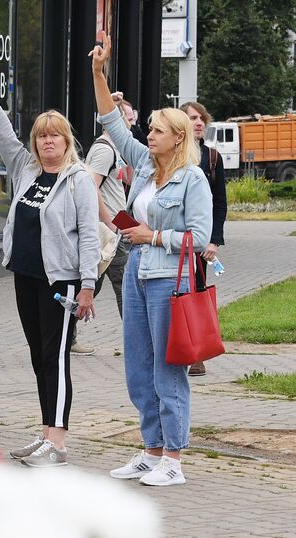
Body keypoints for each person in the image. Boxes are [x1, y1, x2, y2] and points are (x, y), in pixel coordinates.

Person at [0, 46, 99, 468]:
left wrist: (87, 286)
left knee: (55, 357)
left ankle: (58, 443)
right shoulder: (25, 169)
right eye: (41, 136)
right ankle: (46, 434)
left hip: (61, 281)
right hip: (26, 276)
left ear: (67, 141)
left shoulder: (77, 179)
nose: (47, 141)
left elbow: (89, 234)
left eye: (54, 136)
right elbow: (2, 129)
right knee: (38, 356)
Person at [91, 32, 212, 486]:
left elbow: (199, 238)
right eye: (150, 129)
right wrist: (98, 72)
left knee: (167, 369)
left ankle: (174, 460)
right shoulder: (144, 164)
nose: (149, 134)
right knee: (138, 367)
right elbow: (111, 120)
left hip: (169, 280)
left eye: (158, 130)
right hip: (136, 274)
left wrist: (154, 235)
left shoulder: (192, 178)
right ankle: (151, 451)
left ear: (178, 137)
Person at [180, 100, 228, 377]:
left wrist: (213, 241)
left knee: (196, 295)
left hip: (198, 242)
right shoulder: (171, 154)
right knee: (173, 298)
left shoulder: (212, 158)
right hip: (170, 239)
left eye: (201, 119)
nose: (199, 123)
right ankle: (174, 349)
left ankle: (198, 355)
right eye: (192, 118)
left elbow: (219, 204)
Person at [87, 95, 137, 323]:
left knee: (95, 283)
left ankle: (67, 332)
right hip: (110, 229)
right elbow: (91, 187)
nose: (132, 124)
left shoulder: (115, 149)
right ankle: (135, 335)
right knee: (126, 285)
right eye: (128, 119)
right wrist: (110, 224)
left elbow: (127, 179)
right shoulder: (104, 150)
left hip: (119, 224)